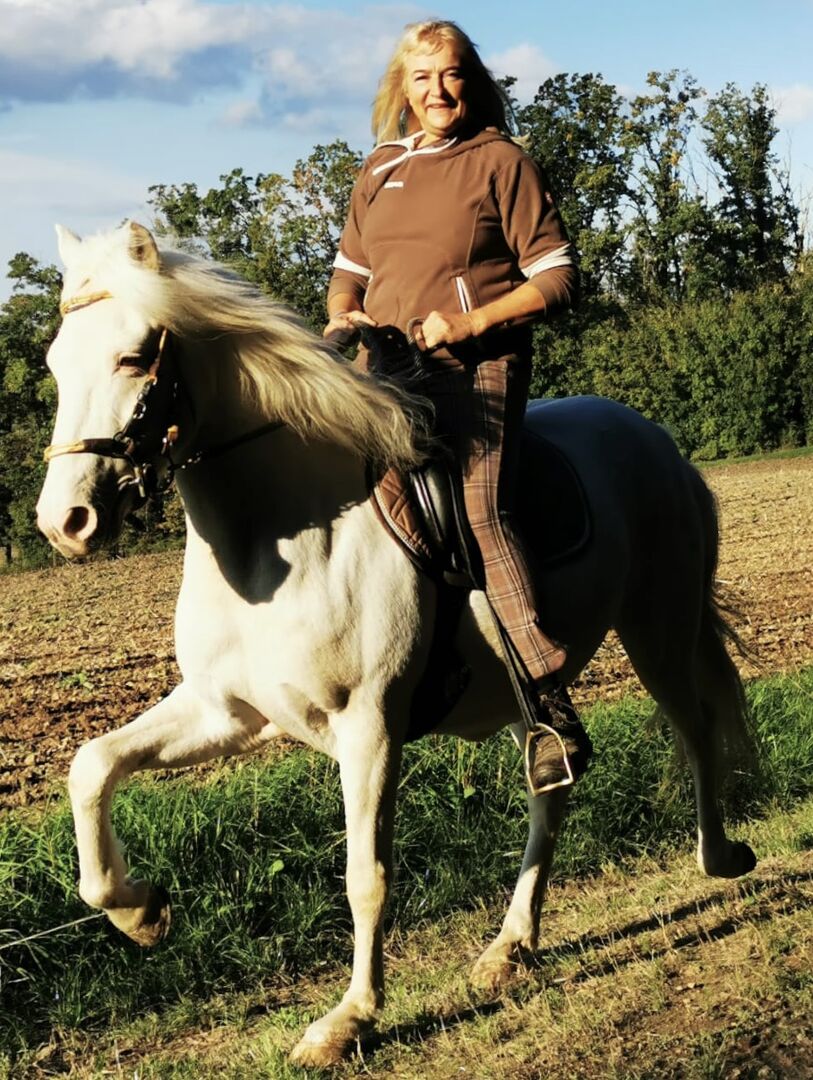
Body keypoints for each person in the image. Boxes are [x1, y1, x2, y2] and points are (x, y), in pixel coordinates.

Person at [324, 18, 591, 792]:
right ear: (401, 89)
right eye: (421, 77)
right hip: (384, 374)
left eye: (450, 74)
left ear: (470, 80)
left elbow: (557, 277)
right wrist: (341, 317)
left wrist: (471, 323)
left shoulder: (500, 161)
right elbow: (349, 272)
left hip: (475, 371)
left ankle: (549, 708)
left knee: (480, 512)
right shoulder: (380, 166)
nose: (437, 90)